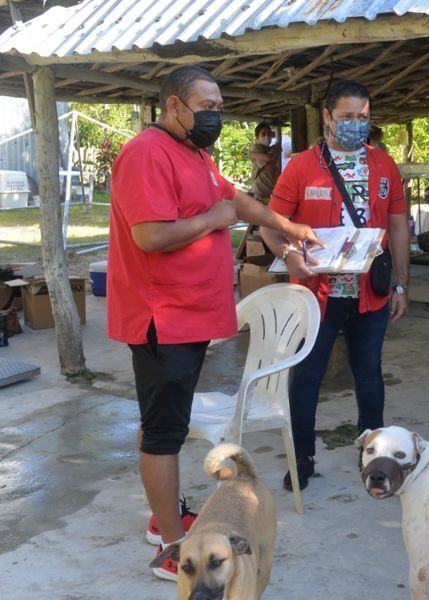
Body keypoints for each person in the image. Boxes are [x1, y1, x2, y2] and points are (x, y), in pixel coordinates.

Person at [107, 65, 319, 582]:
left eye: (220, 106)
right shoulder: (146, 153)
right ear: (175, 106)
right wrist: (213, 221)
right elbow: (151, 236)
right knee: (164, 430)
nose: (216, 115)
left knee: (167, 419)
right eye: (208, 106)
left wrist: (287, 224)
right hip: (163, 316)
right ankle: (171, 545)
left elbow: (234, 200)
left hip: (188, 314)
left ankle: (164, 518)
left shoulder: (194, 153)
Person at [260, 79, 409, 492]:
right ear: (327, 117)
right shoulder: (302, 167)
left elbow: (397, 226)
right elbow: (269, 226)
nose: (356, 125)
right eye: (347, 117)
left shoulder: (384, 165)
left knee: (369, 373)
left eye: (363, 118)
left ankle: (374, 454)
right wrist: (290, 255)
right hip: (316, 295)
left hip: (371, 293)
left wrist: (401, 283)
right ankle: (303, 456)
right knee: (307, 376)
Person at [248, 122, 281, 203]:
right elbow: (269, 167)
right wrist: (275, 151)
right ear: (257, 136)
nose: (267, 136)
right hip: (260, 193)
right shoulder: (256, 147)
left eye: (269, 134)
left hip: (271, 191)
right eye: (263, 134)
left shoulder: (270, 149)